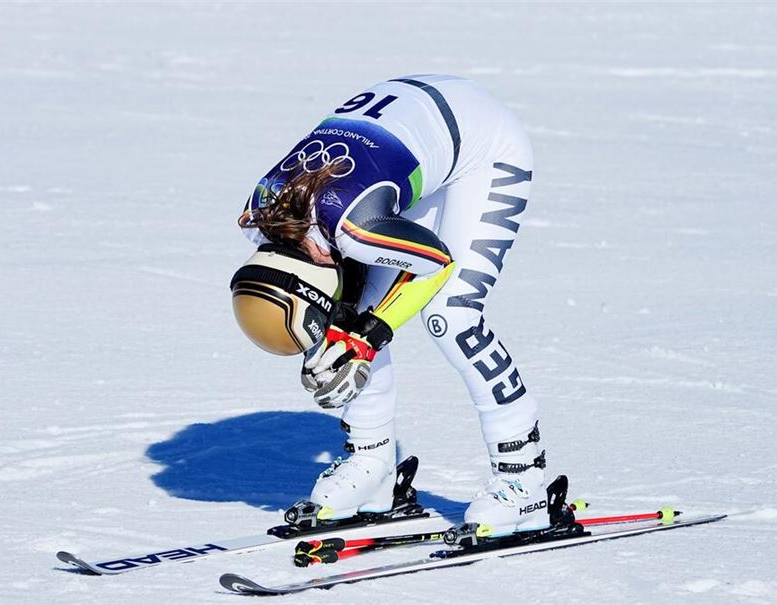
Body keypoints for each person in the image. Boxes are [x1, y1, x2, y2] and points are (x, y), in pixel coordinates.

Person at [230, 74, 546, 537]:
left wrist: (367, 336)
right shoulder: (258, 215)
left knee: (451, 316)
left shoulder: (355, 227)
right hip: (411, 139)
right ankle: (371, 465)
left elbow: (435, 263)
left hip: (484, 146)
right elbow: (323, 293)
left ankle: (524, 481)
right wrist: (344, 328)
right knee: (347, 312)